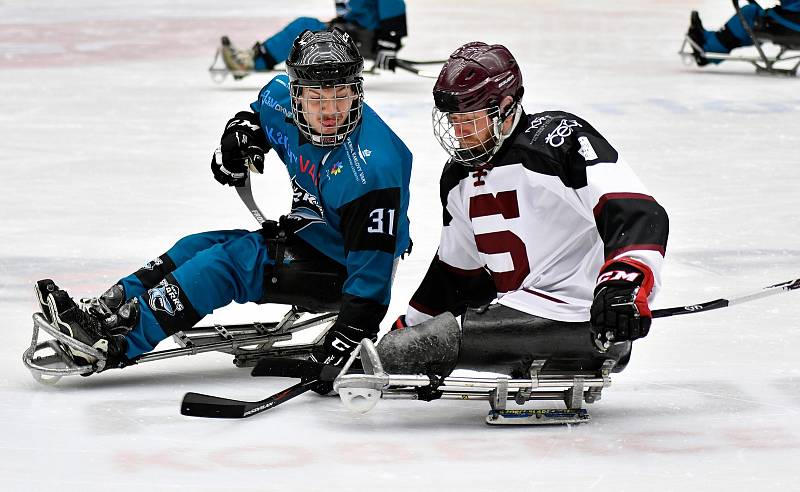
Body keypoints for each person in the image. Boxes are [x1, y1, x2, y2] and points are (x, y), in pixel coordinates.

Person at [35, 28, 413, 381]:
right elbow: (256, 119)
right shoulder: (280, 99)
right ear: (297, 94)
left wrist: (346, 340)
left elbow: (372, 277)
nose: (329, 111)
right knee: (195, 246)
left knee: (225, 266)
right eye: (316, 98)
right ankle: (101, 315)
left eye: (340, 95)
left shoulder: (371, 170)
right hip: (311, 231)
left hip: (345, 266)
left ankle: (115, 343)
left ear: (356, 91)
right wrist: (238, 137)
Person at [390, 42, 669, 375]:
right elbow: (457, 274)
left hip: (587, 318)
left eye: (469, 119)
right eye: (453, 118)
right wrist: (410, 327)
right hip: (516, 316)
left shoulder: (558, 141)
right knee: (403, 347)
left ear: (506, 107)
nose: (458, 131)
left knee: (415, 348)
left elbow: (635, 210)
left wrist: (623, 284)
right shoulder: (457, 178)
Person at [220, 0, 407, 79]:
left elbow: (393, 5)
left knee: (305, 26)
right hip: (356, 33)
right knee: (308, 27)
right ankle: (254, 59)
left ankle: (251, 62)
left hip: (367, 39)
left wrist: (389, 43)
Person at [687, 0, 800, 66]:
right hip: (792, 23)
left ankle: (709, 48)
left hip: (790, 25)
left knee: (749, 13)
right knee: (756, 16)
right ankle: (708, 39)